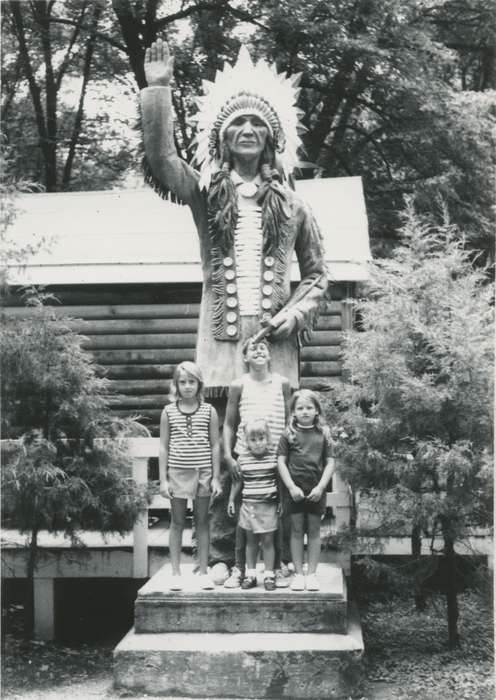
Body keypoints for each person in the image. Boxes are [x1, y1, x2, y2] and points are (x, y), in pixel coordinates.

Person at [141, 39, 328, 396]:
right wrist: (158, 89)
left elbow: (317, 274)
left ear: (271, 139)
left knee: (271, 429)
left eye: (256, 123)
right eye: (237, 122)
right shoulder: (205, 195)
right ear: (221, 139)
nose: (247, 129)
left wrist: (293, 314)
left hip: (274, 344)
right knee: (218, 432)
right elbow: (163, 161)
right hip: (218, 344)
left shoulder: (295, 206)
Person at [223, 335, 291, 588]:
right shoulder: (239, 385)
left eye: (263, 347)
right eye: (253, 348)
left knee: (278, 510)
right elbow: (229, 423)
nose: (259, 350)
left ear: (270, 355)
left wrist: (287, 454)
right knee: (245, 517)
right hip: (246, 456)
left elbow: (289, 420)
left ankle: (277, 567)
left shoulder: (282, 383)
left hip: (276, 456)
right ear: (245, 357)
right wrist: (229, 456)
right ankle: (240, 568)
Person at [159, 361, 222, 590]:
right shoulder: (168, 411)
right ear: (176, 384)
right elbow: (163, 447)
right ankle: (176, 572)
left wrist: (215, 477)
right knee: (176, 522)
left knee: (202, 521)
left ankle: (204, 571)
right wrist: (163, 479)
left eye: (191, 382)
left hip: (203, 472)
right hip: (177, 472)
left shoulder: (209, 411)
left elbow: (215, 445)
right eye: (183, 382)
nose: (187, 386)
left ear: (199, 384)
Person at [277, 389, 335, 591]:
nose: (305, 411)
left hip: (315, 490)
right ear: (293, 411)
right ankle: (299, 574)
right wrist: (291, 487)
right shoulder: (288, 434)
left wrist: (321, 487)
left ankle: (311, 574)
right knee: (295, 531)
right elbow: (281, 462)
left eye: (309, 407)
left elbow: (330, 463)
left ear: (317, 410)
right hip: (294, 491)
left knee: (314, 531)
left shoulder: (323, 433)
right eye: (300, 408)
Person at [227, 419, 279, 590]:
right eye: (253, 440)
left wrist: (282, 502)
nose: (258, 443)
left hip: (268, 504)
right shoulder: (243, 459)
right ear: (246, 442)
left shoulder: (274, 456)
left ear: (268, 438)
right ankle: (251, 574)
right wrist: (231, 500)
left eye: (261, 438)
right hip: (249, 505)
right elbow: (238, 482)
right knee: (250, 541)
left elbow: (280, 481)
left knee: (268, 541)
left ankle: (270, 574)